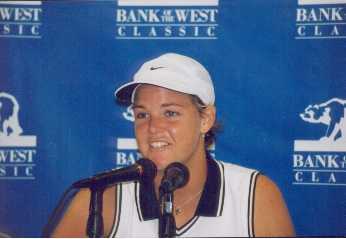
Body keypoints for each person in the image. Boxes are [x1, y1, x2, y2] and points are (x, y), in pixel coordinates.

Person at [51, 53, 295, 237]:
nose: (153, 128)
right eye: (142, 115)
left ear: (205, 119)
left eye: (170, 113)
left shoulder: (253, 196)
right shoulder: (101, 197)